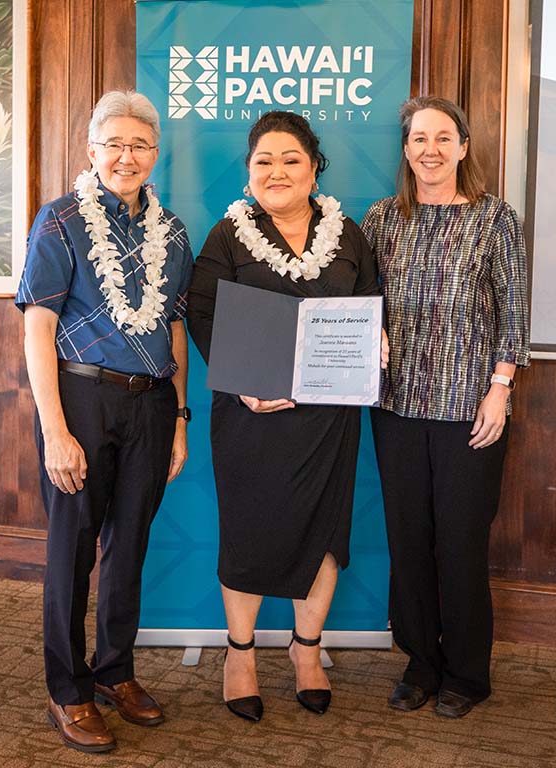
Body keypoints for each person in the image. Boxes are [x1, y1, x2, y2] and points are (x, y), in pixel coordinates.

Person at [186, 111, 380, 721]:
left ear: (314, 168)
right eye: (264, 161)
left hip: (327, 418)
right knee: (248, 528)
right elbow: (202, 315)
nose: (277, 171)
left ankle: (306, 652)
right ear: (248, 175)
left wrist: (371, 349)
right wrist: (244, 382)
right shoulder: (226, 236)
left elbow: (371, 306)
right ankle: (239, 655)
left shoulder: (348, 235)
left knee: (323, 530)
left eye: (291, 159)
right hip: (250, 415)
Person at [16, 90, 193, 752]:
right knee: (73, 551)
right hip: (80, 399)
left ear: (155, 154)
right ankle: (68, 690)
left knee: (129, 548)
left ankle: (115, 671)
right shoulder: (59, 221)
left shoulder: (171, 232)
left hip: (150, 402)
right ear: (91, 150)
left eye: (139, 145)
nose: (126, 156)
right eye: (112, 144)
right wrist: (56, 431)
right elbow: (38, 328)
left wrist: (177, 418)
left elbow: (174, 324)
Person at [361, 96, 530, 719]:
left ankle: (466, 673)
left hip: (470, 409)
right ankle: (419, 663)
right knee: (408, 541)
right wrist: (366, 331)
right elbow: (361, 297)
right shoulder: (381, 219)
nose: (429, 149)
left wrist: (501, 387)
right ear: (406, 151)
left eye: (442, 137)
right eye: (417, 139)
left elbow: (513, 309)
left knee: (459, 543)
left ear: (463, 147)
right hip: (396, 407)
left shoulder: (494, 219)